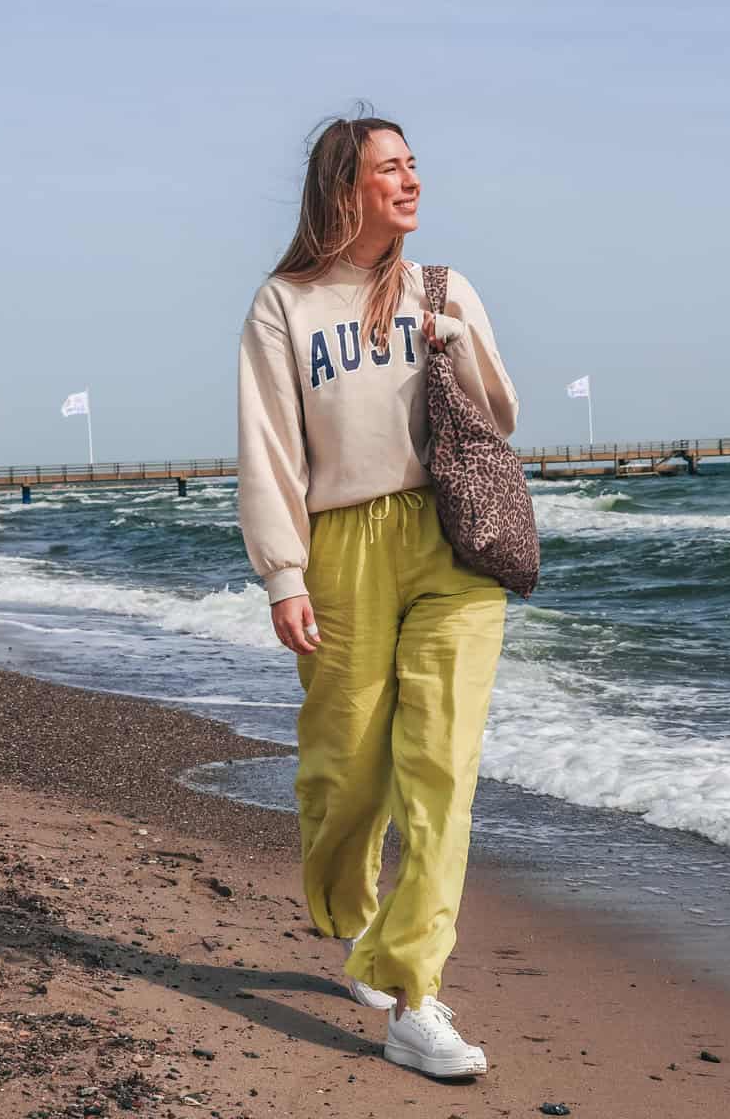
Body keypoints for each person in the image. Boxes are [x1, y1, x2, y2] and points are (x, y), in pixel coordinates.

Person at [235, 115, 519, 1079]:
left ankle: (411, 992)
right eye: (390, 168)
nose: (411, 181)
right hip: (344, 543)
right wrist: (283, 574)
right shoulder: (286, 303)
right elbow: (271, 446)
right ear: (343, 189)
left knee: (441, 765)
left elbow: (502, 415)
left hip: (453, 540)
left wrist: (454, 337)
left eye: (414, 165)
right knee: (346, 767)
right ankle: (348, 916)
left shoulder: (444, 287)